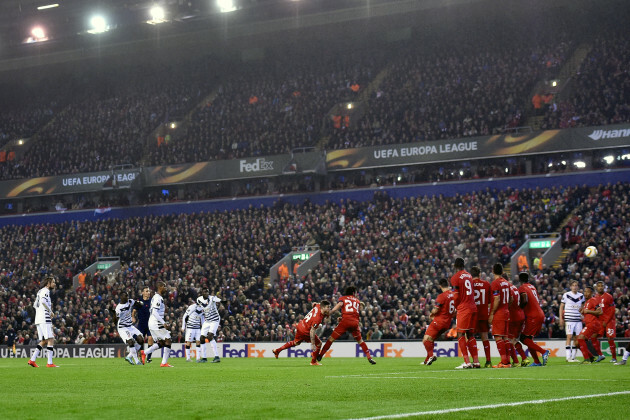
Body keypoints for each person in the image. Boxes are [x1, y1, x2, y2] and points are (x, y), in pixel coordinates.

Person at [317, 286, 376, 365]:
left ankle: (320, 355)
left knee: (331, 339)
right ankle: (369, 357)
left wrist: (329, 313)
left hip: (346, 322)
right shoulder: (357, 301)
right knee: (360, 341)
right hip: (355, 322)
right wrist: (342, 318)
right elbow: (353, 313)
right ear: (353, 293)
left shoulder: (343, 298)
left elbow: (337, 307)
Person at [273, 300, 332, 365]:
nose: (329, 308)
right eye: (328, 307)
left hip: (300, 325)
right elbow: (312, 331)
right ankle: (313, 361)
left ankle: (277, 350)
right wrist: (312, 344)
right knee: (318, 344)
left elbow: (314, 304)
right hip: (306, 331)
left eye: (329, 307)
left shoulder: (318, 306)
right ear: (323, 307)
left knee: (296, 342)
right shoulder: (317, 318)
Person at [450, 258, 479, 369]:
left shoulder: (455, 277)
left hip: (464, 308)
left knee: (460, 334)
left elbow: (456, 296)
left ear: (455, 266)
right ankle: (476, 361)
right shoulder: (469, 276)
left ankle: (467, 362)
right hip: (473, 307)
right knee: (470, 334)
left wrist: (456, 307)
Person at [518, 272, 549, 367]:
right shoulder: (532, 287)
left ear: (520, 280)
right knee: (529, 339)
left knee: (523, 338)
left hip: (532, 315)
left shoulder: (522, 288)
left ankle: (543, 351)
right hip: (539, 313)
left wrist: (520, 308)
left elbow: (525, 299)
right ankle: (536, 361)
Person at [422, 278, 455, 366]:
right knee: (431, 339)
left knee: (425, 340)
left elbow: (436, 309)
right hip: (447, 323)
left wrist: (431, 314)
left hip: (439, 321)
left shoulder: (442, 296)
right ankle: (426, 360)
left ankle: (431, 355)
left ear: (440, 286)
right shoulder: (454, 295)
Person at [141, 281, 174, 367]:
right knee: (168, 340)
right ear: (160, 287)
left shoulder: (157, 297)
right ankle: (163, 363)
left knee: (163, 343)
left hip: (153, 323)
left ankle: (144, 352)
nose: (166, 288)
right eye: (164, 286)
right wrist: (163, 323)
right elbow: (155, 312)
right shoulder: (157, 298)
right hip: (156, 323)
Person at [28, 276, 58, 368]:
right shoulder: (46, 291)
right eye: (53, 282)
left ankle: (32, 360)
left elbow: (35, 305)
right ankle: (49, 363)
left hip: (39, 318)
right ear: (48, 284)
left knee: (44, 340)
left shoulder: (40, 291)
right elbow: (43, 301)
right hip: (44, 317)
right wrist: (50, 312)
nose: (54, 284)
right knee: (51, 339)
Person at [488, 263, 511, 368]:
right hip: (506, 311)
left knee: (498, 336)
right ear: (502, 272)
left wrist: (492, 312)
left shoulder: (495, 283)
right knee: (505, 337)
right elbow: (511, 299)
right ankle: (507, 361)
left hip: (499, 313)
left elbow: (497, 298)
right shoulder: (506, 283)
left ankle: (504, 361)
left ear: (493, 271)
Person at [114, 291, 145, 365]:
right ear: (121, 297)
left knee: (141, 340)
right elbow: (116, 319)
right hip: (122, 327)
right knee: (130, 342)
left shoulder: (130, 301)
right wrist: (117, 329)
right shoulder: (119, 308)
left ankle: (129, 356)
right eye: (125, 296)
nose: (127, 297)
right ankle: (137, 361)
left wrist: (140, 303)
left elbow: (137, 303)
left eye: (127, 296)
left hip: (130, 326)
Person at [576, 286, 604, 364]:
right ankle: (591, 357)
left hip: (593, 324)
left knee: (580, 338)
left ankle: (587, 359)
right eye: (585, 291)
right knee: (577, 343)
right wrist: (583, 312)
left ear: (591, 293)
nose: (585, 293)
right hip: (589, 323)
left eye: (587, 292)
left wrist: (587, 311)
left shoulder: (593, 300)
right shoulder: (586, 302)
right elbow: (588, 313)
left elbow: (600, 312)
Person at [471, 266, 492, 368]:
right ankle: (488, 361)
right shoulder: (487, 284)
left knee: (471, 337)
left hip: (473, 315)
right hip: (484, 314)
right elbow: (490, 301)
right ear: (479, 274)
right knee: (485, 337)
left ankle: (476, 360)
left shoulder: (469, 284)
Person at [559, 280, 585, 362]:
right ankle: (568, 357)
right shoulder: (566, 295)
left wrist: (582, 314)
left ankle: (573, 357)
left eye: (576, 285)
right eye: (573, 285)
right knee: (569, 337)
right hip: (569, 319)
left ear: (578, 287)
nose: (574, 287)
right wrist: (561, 318)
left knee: (577, 339)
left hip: (578, 319)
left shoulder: (581, 296)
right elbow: (561, 307)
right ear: (570, 287)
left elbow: (583, 307)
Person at [197, 287, 222, 363]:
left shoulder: (212, 298)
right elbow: (201, 308)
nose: (206, 293)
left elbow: (219, 300)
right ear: (202, 293)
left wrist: (220, 298)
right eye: (205, 292)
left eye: (207, 292)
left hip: (215, 320)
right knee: (201, 338)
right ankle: (204, 358)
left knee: (210, 336)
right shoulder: (199, 299)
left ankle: (217, 357)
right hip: (207, 321)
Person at [595, 281, 617, 363]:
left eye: (602, 286)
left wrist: (606, 321)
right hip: (600, 321)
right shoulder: (595, 297)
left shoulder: (609, 296)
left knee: (610, 338)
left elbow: (612, 310)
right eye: (599, 286)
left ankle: (614, 358)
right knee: (594, 337)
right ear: (596, 288)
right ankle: (600, 355)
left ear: (604, 287)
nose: (600, 287)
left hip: (609, 321)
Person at [507, 278, 527, 367]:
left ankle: (515, 361)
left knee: (509, 340)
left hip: (513, 317)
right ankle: (524, 358)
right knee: (514, 340)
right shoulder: (515, 287)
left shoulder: (506, 288)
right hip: (520, 315)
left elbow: (509, 301)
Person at [134, 286, 155, 363]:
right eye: (146, 291)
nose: (148, 293)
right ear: (142, 292)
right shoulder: (139, 301)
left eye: (149, 291)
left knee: (150, 339)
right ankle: (141, 355)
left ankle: (148, 358)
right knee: (140, 341)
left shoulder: (152, 301)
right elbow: (134, 310)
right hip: (141, 324)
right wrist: (133, 317)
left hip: (150, 324)